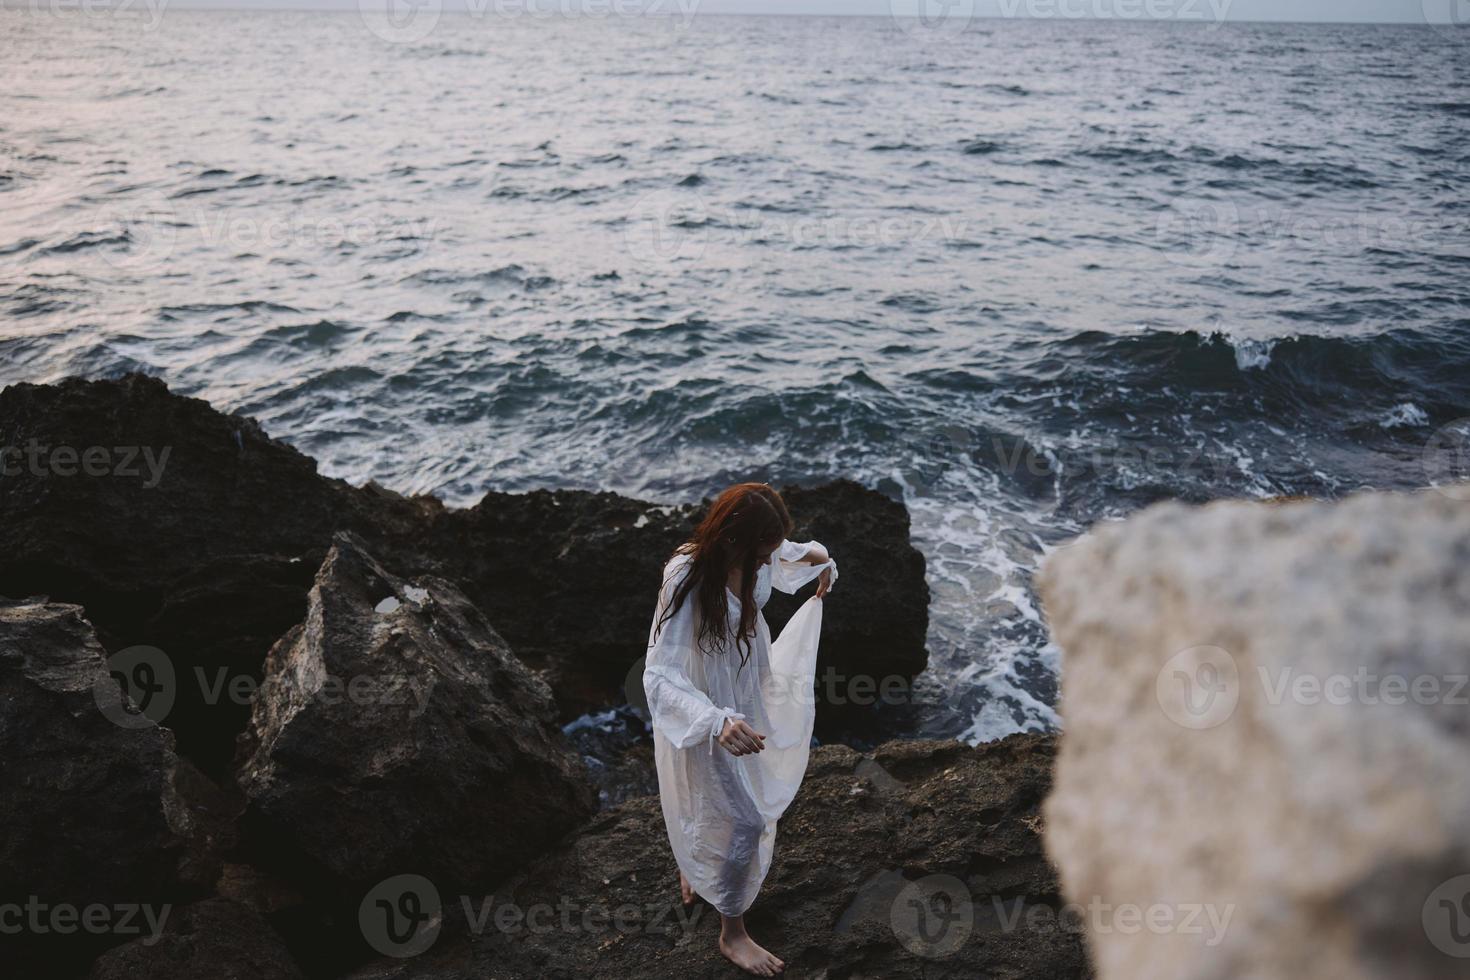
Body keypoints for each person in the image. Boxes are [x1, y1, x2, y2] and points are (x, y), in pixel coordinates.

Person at [643, 481, 838, 977]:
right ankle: (733, 934)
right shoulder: (685, 575)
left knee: (723, 804)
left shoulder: (759, 553)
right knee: (746, 820)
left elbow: (793, 553)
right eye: (759, 552)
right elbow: (660, 674)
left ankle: (697, 868)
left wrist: (824, 562)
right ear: (732, 540)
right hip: (705, 711)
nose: (766, 562)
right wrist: (716, 721)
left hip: (748, 691)